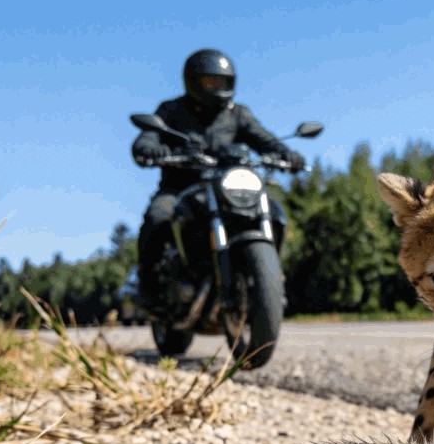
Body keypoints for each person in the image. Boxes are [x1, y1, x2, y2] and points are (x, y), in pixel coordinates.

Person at [131, 48, 306, 314]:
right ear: (193, 81)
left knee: (273, 212)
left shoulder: (237, 113)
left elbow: (265, 139)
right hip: (181, 188)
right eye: (211, 81)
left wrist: (287, 154)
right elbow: (147, 139)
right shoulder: (171, 110)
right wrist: (151, 149)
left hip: (226, 186)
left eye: (223, 82)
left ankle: (268, 282)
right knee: (158, 216)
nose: (218, 87)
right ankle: (149, 289)